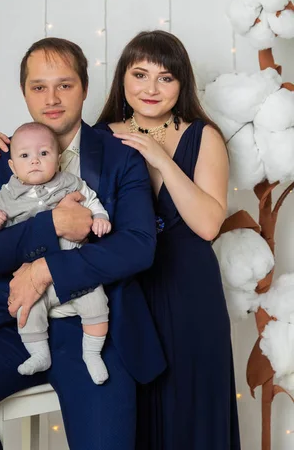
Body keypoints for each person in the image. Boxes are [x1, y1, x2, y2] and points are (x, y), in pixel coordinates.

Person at [0, 37, 166, 450]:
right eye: (38, 87)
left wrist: (48, 269)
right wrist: (52, 225)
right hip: (13, 318)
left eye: (64, 85)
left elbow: (139, 245)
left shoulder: (121, 155)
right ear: (24, 92)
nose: (51, 98)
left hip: (96, 326)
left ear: (85, 87)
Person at [97, 30, 241, 450]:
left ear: (182, 84)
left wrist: (160, 157)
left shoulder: (204, 135)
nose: (151, 88)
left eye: (166, 78)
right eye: (140, 74)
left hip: (191, 292)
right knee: (133, 414)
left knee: (194, 409)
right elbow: (40, 161)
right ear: (123, 78)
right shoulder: (100, 138)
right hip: (126, 293)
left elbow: (208, 225)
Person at [0, 121, 111, 385]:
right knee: (27, 310)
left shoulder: (70, 183)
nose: (35, 161)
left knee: (97, 304)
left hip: (74, 270)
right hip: (32, 279)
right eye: (24, 156)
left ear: (58, 158)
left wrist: (100, 216)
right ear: (13, 166)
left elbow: (91, 200)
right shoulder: (7, 194)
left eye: (43, 153)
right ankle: (39, 354)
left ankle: (92, 353)